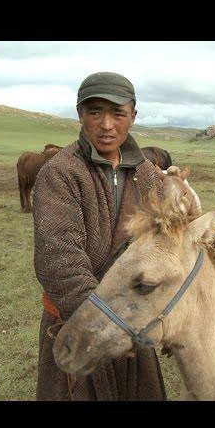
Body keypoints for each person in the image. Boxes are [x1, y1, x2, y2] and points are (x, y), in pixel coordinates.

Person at [33, 71, 168, 400]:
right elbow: (59, 259)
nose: (107, 125)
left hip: (133, 321)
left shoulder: (147, 174)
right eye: (95, 112)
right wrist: (105, 325)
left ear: (132, 117)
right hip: (79, 321)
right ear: (80, 114)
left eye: (118, 113)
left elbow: (164, 248)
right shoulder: (60, 172)